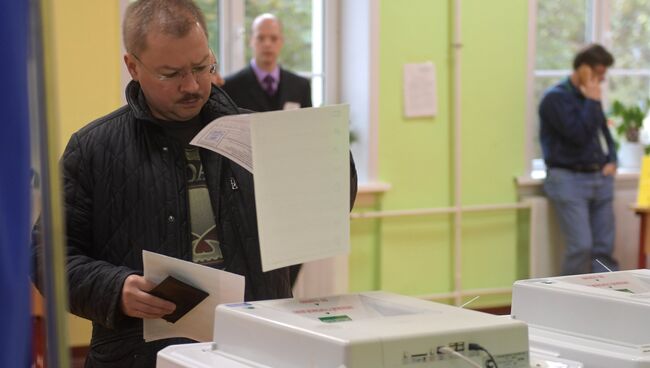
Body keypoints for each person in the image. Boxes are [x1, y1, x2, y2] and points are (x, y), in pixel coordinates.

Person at [31, 1, 357, 367]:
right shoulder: (93, 149)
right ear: (133, 66)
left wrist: (330, 158)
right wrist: (114, 289)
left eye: (202, 67)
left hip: (253, 348)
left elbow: (322, 211)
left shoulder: (260, 134)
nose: (191, 85)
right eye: (170, 74)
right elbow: (48, 256)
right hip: (140, 354)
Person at [539, 43, 618, 275]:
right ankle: (570, 302)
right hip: (568, 179)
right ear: (584, 69)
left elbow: (602, 132)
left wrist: (612, 159)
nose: (601, 80)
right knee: (581, 247)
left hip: (599, 177)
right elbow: (578, 136)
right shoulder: (555, 99)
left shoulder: (589, 98)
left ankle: (608, 301)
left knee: (604, 247)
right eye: (598, 73)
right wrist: (593, 101)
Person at [222, 13, 312, 112]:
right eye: (260, 38)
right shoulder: (230, 87)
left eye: (274, 38)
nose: (267, 44)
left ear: (282, 41)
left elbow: (309, 125)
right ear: (251, 41)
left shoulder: (301, 86)